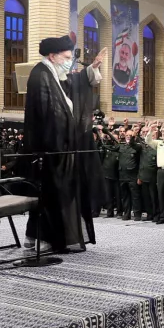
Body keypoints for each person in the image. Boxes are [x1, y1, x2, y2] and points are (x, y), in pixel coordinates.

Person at [22, 35, 104, 252]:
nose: (70, 62)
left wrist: (93, 68)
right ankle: (47, 238)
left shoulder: (53, 73)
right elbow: (47, 116)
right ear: (53, 56)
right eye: (67, 57)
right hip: (50, 150)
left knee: (56, 195)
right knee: (51, 195)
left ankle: (35, 237)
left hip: (60, 148)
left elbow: (74, 82)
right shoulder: (40, 75)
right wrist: (61, 141)